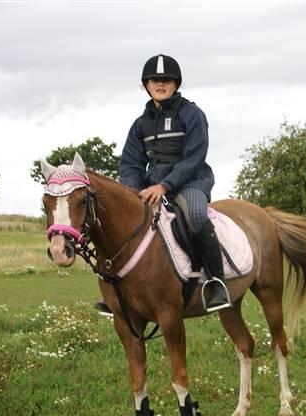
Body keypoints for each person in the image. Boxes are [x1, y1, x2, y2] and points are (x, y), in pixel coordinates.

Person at [96, 53, 231, 314]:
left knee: (194, 216)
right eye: (155, 80)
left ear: (176, 83)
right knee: (118, 221)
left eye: (166, 80)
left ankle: (216, 282)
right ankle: (114, 290)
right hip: (152, 185)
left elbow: (195, 158)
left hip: (191, 181)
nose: (160, 84)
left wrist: (165, 185)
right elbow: (131, 164)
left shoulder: (191, 114)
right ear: (145, 84)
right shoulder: (140, 124)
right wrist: (131, 192)